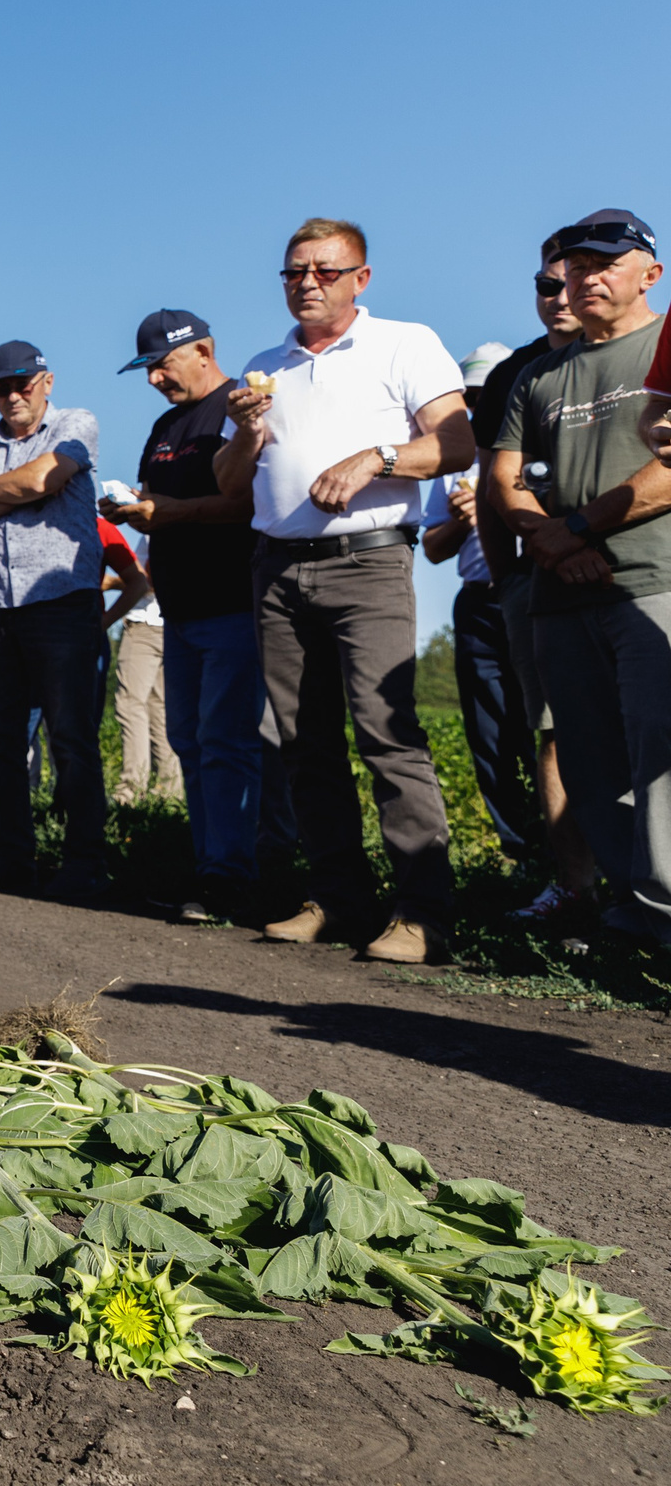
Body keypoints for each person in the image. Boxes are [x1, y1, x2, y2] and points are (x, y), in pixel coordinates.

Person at [215, 217, 471, 963]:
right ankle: (337, 897)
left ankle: (424, 914)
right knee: (303, 744)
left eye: (325, 271)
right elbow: (231, 486)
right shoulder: (267, 366)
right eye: (295, 272)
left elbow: (456, 443)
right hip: (278, 567)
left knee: (387, 734)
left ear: (361, 277)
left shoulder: (404, 343)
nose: (308, 284)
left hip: (368, 563)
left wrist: (377, 457)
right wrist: (242, 434)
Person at [488, 210, 671, 946]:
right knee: (589, 756)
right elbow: (503, 479)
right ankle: (627, 908)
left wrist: (579, 528)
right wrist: (555, 540)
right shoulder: (539, 374)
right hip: (562, 593)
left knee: (661, 751)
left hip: (652, 580)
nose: (585, 276)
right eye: (574, 264)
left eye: (605, 262)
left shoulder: (665, 345)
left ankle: (664, 917)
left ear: (648, 273)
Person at [101, 309, 265, 923]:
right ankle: (210, 865)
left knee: (227, 740)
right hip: (180, 607)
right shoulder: (167, 424)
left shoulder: (240, 406)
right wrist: (136, 510)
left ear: (204, 350)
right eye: (146, 369)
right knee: (190, 740)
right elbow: (158, 502)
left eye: (162, 364)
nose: (154, 379)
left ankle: (234, 875)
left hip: (232, 600)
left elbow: (247, 502)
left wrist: (165, 513)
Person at [0, 341, 111, 902]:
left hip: (61, 599)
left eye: (23, 384)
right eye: (1, 387)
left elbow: (44, 480)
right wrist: (25, 487)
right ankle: (12, 857)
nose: (13, 395)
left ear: (47, 381)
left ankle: (84, 862)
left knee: (70, 737)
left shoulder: (76, 422)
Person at [480, 250, 603, 925]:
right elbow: (489, 486)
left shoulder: (642, 356)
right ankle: (577, 891)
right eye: (545, 284)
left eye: (572, 283)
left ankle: (647, 892)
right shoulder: (513, 375)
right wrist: (507, 581)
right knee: (553, 734)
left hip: (627, 570)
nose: (558, 296)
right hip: (536, 580)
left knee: (647, 728)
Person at [423, 355, 537, 859]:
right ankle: (520, 852)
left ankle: (567, 855)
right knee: (490, 735)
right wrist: (464, 520)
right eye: (469, 397)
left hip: (532, 593)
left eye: (485, 395)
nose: (476, 405)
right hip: (477, 602)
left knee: (546, 727)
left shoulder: (532, 446)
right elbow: (432, 548)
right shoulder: (455, 465)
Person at [109, 530, 177, 804]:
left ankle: (130, 791)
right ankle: (170, 792)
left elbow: (151, 578)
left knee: (130, 705)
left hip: (146, 623)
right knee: (157, 707)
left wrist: (113, 581)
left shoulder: (159, 526)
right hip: (169, 623)